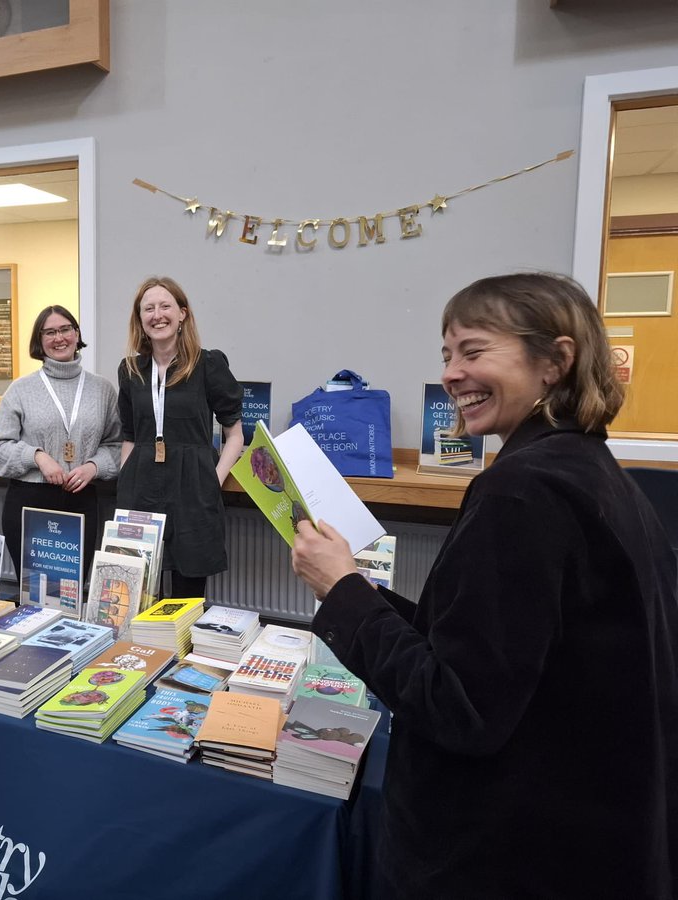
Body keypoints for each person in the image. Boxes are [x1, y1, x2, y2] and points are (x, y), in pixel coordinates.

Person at [291, 273, 678, 900]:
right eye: (447, 354)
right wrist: (352, 588)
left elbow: (458, 705)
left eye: (473, 351)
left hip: (504, 854)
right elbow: (487, 647)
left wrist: (343, 592)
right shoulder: (595, 473)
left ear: (555, 360)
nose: (450, 374)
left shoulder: (522, 491)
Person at [117, 276, 243, 599]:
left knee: (186, 599)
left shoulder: (207, 364)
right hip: (142, 490)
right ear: (140, 318)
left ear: (182, 314)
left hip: (193, 491)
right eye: (148, 308)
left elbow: (235, 435)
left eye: (165, 306)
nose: (157, 315)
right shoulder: (131, 370)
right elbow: (129, 435)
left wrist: (212, 480)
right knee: (141, 595)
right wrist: (125, 481)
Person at [0, 304, 120, 577]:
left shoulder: (103, 390)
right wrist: (37, 457)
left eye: (65, 329)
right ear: (39, 340)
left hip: (81, 500)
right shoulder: (20, 389)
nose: (59, 338)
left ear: (76, 334)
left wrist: (94, 466)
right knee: (33, 588)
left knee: (73, 589)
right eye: (49, 332)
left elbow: (117, 445)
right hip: (29, 500)